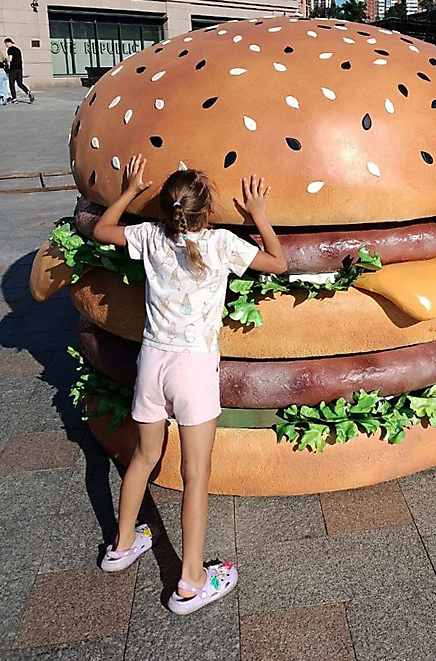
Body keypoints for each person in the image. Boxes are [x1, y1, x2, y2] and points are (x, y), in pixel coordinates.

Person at [93, 155, 287, 613]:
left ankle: (122, 544)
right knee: (195, 476)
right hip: (194, 370)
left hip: (152, 363)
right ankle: (191, 581)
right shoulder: (222, 244)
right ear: (209, 209)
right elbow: (279, 264)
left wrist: (128, 191)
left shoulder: (149, 236)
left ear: (165, 208)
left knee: (143, 457)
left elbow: (101, 230)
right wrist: (259, 214)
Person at [3, 38, 34, 103]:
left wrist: (5, 60)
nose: (5, 45)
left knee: (12, 83)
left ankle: (14, 98)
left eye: (5, 43)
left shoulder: (10, 49)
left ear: (8, 42)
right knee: (20, 83)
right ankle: (28, 92)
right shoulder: (18, 49)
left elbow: (10, 59)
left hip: (13, 69)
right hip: (19, 68)